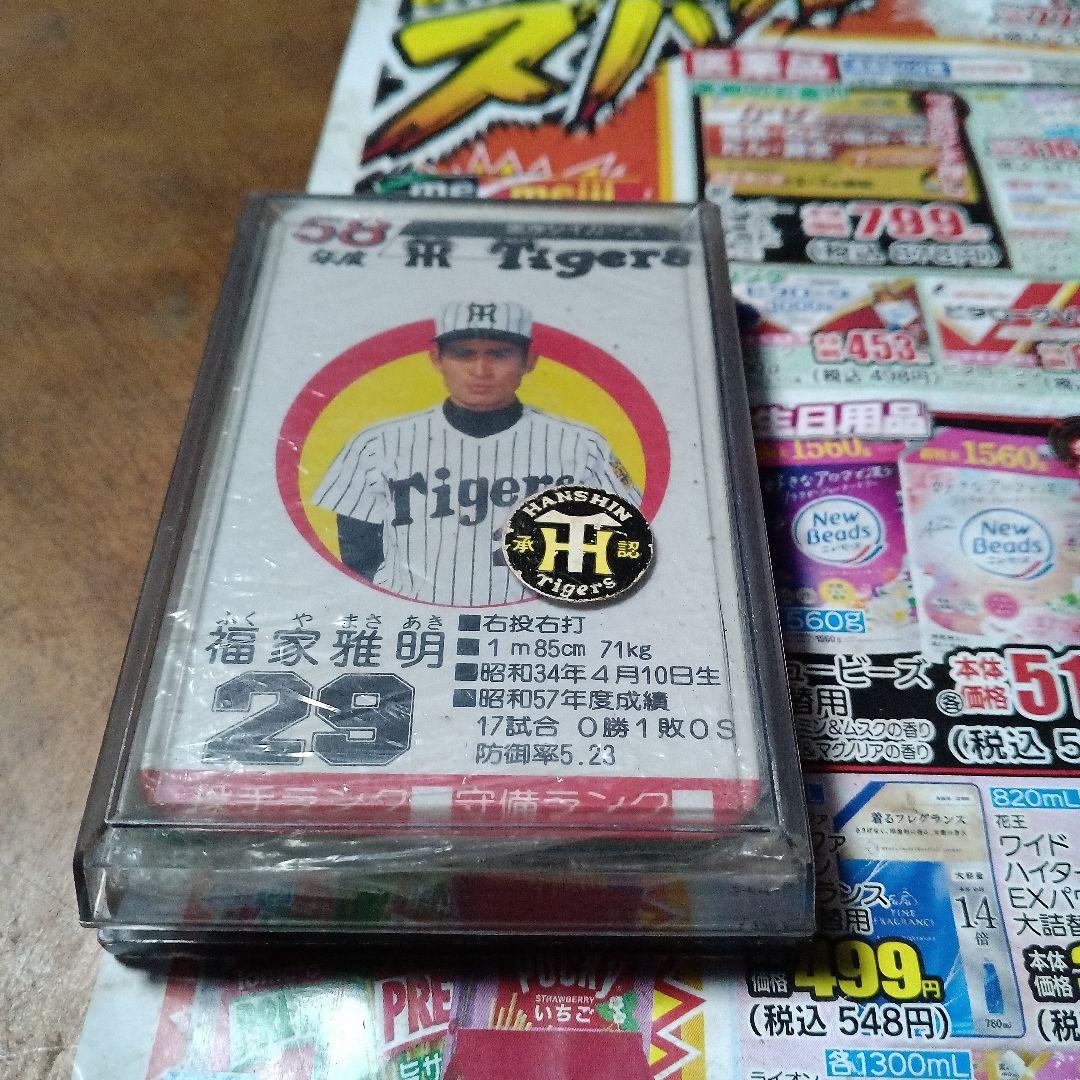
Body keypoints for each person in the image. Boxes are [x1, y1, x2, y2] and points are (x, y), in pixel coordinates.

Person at [314, 301, 641, 605]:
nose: (481, 370)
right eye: (463, 354)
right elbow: (359, 558)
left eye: (499, 354)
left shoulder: (583, 446)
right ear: (436, 359)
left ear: (529, 361)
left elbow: (625, 541)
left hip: (538, 626)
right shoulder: (378, 444)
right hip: (413, 619)